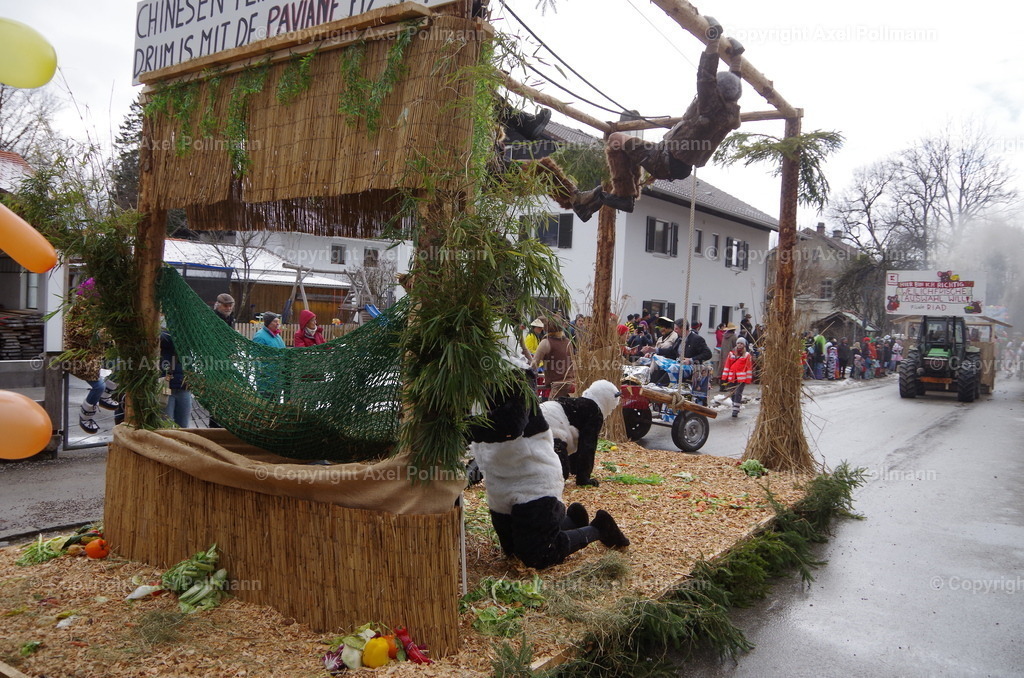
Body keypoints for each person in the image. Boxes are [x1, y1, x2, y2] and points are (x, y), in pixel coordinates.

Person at [599, 18, 745, 213]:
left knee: (615, 139)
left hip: (665, 160)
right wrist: (736, 61)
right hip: (675, 162)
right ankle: (627, 192)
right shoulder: (730, 113)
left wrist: (713, 40)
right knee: (630, 147)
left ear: (716, 92)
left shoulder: (710, 105)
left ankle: (624, 196)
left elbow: (706, 76)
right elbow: (732, 86)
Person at [532, 317, 575, 400]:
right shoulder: (568, 342)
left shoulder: (546, 342)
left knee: (551, 410)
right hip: (570, 383)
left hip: (557, 386)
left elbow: (534, 364)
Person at [160, 326, 191, 428]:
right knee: (166, 425)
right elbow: (164, 338)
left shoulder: (190, 336)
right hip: (167, 386)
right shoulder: (164, 336)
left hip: (183, 386)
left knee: (183, 426)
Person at [721, 336, 754, 418]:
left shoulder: (746, 355)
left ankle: (735, 410)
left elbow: (748, 367)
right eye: (738, 343)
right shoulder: (731, 354)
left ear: (744, 345)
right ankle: (734, 406)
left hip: (741, 378)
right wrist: (724, 377)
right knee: (733, 393)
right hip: (732, 377)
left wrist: (748, 379)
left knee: (738, 393)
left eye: (741, 343)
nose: (739, 345)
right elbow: (727, 365)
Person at [716, 322, 738, 390]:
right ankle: (729, 386)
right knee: (730, 371)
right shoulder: (734, 337)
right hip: (731, 356)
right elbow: (736, 346)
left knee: (723, 371)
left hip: (723, 355)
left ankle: (722, 386)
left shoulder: (724, 336)